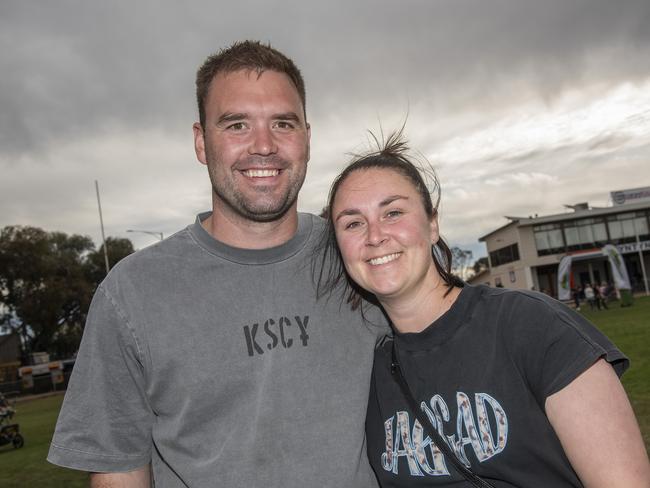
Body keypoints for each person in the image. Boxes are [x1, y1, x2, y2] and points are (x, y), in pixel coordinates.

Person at [48, 41, 385, 487]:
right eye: (237, 125)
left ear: (307, 137)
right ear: (201, 142)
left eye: (282, 123)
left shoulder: (363, 255)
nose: (263, 146)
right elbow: (119, 471)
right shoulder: (131, 294)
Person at [318, 132, 650, 487]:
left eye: (393, 212)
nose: (374, 235)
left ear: (432, 224)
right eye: (353, 223)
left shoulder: (531, 326)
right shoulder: (368, 373)